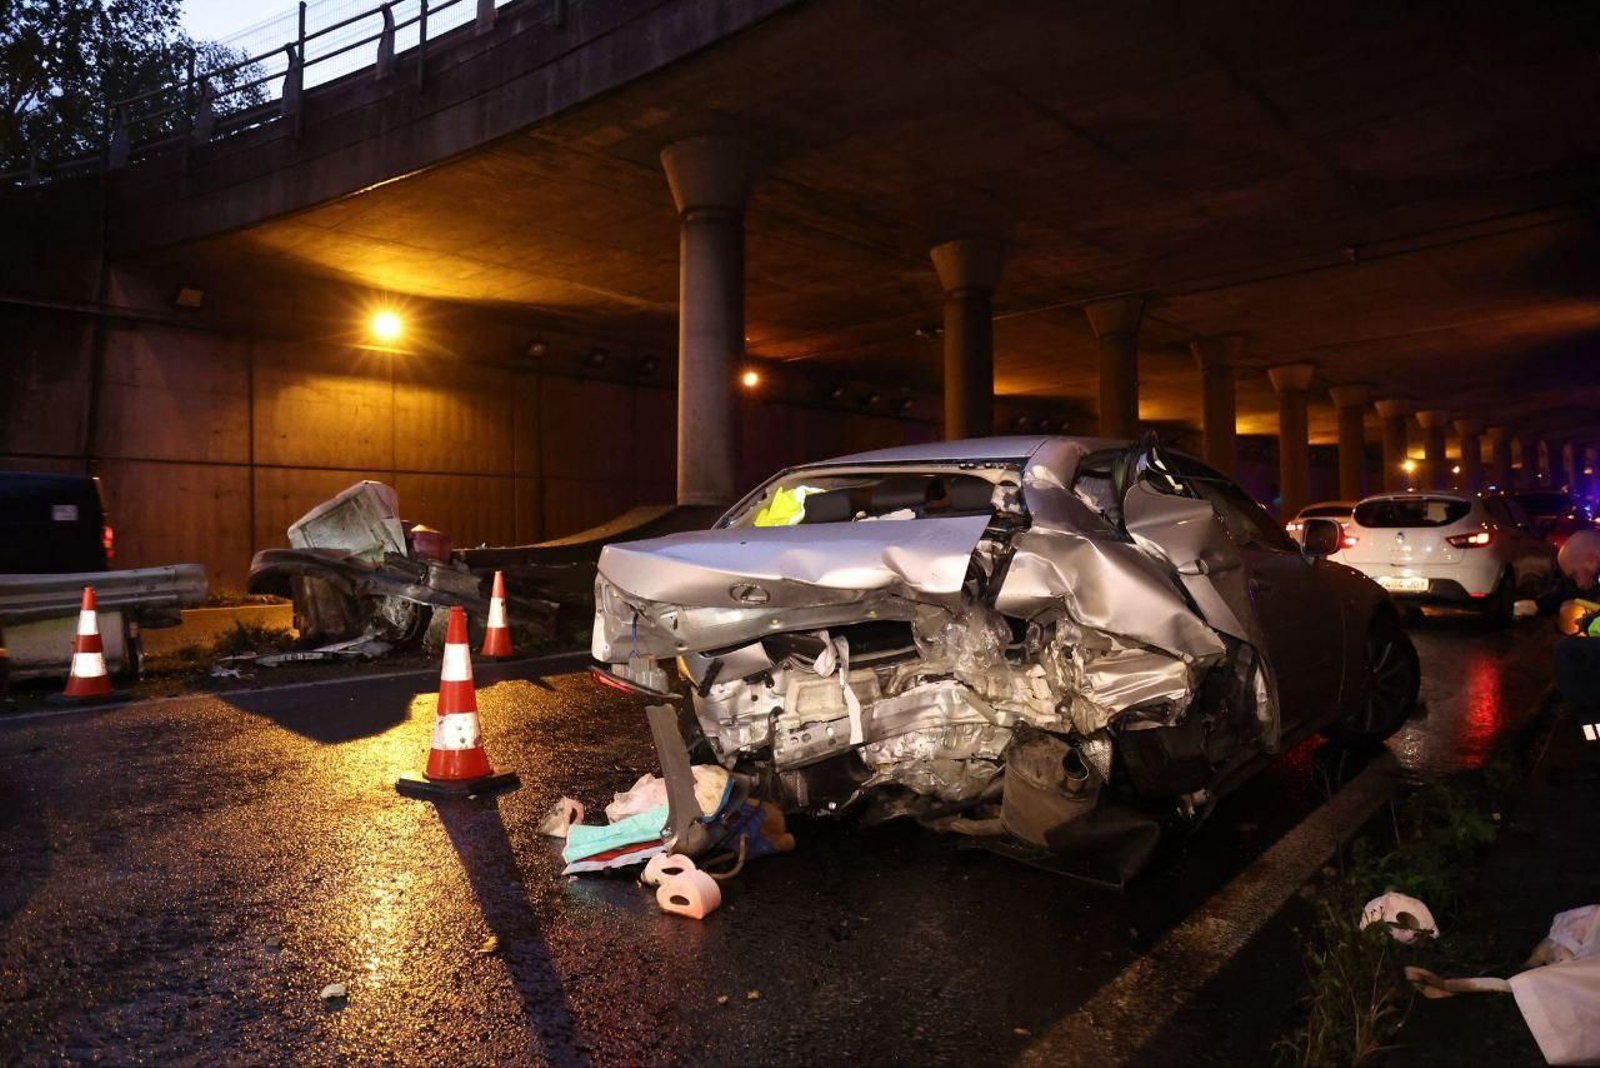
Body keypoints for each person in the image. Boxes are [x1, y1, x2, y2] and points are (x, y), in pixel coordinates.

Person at [1540, 529, 1600, 710]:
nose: (1579, 584)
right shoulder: (1595, 576)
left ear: (1592, 560)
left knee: (1568, 650)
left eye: (1575, 575)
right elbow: (1570, 591)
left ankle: (1592, 726)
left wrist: (1588, 623)